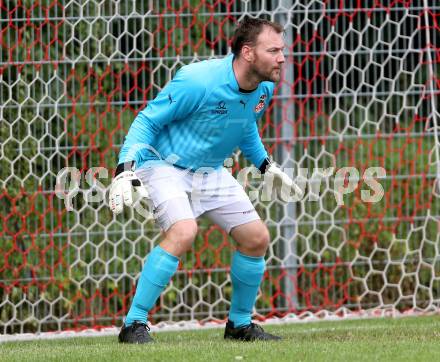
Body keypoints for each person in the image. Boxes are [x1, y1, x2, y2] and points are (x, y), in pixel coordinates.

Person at [109, 16, 301, 343]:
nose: (282, 58)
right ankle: (133, 325)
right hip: (163, 165)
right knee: (184, 231)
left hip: (211, 171)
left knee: (256, 238)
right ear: (248, 53)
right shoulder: (198, 80)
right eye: (274, 50)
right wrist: (124, 169)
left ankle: (238, 326)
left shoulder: (264, 87)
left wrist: (265, 165)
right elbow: (147, 121)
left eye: (282, 50)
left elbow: (244, 125)